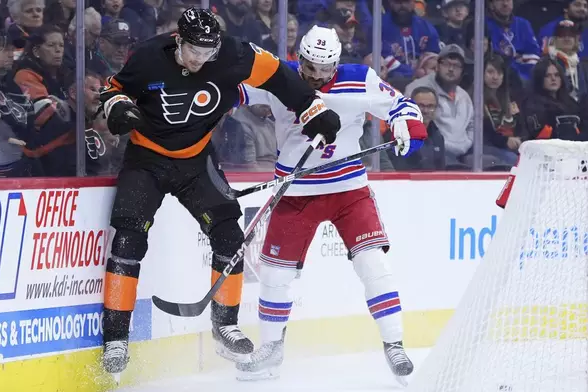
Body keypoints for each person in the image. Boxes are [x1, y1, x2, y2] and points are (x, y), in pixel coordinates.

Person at [98, 7, 341, 375]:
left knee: (229, 235)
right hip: (146, 158)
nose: (200, 60)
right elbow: (113, 89)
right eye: (193, 51)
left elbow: (279, 76)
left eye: (208, 53)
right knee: (128, 238)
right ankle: (116, 338)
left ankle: (225, 325)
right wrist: (118, 108)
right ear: (178, 41)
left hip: (197, 160)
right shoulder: (149, 56)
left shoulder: (235, 54)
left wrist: (312, 108)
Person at [233, 26, 427, 386]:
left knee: (374, 265)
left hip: (349, 190)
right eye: (309, 66)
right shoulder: (280, 76)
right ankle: (272, 350)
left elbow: (403, 105)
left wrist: (405, 129)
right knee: (275, 276)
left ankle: (395, 345)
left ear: (336, 63)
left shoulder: (359, 79)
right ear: (298, 56)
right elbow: (234, 91)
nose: (317, 76)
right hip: (295, 192)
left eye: (325, 69)